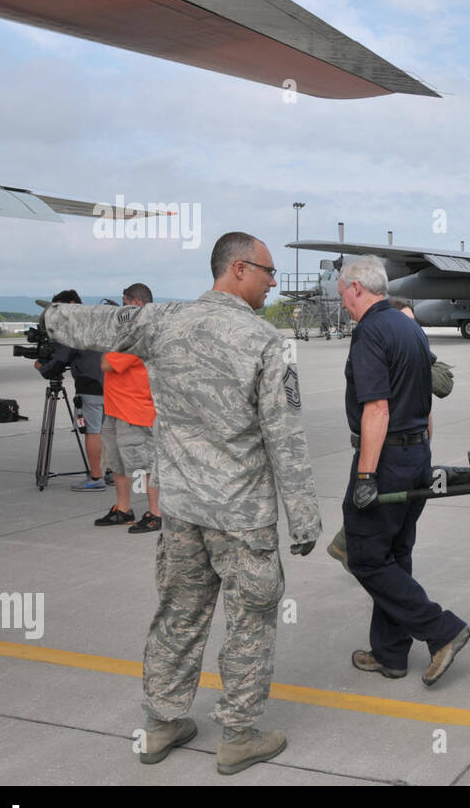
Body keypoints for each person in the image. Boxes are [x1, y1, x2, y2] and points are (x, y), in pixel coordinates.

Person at [43, 232, 321, 774]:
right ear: (238, 269)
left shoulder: (161, 320)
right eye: (268, 272)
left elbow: (95, 325)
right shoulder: (265, 342)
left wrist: (53, 317)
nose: (272, 282)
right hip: (241, 517)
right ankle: (239, 734)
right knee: (249, 622)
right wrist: (304, 518)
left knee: (179, 614)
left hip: (182, 510)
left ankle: (162, 723)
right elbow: (285, 437)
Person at [339, 256, 470, 687]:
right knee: (395, 555)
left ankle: (441, 629)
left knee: (364, 556)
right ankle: (390, 654)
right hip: (415, 455)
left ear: (357, 287)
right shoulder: (411, 328)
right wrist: (422, 454)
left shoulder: (372, 332)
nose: (342, 302)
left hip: (387, 460)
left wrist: (365, 476)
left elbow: (376, 408)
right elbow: (426, 399)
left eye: (342, 293)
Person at [94, 283, 161, 532]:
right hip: (115, 408)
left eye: (124, 304)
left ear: (136, 303)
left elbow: (106, 363)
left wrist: (111, 337)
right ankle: (123, 509)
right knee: (117, 463)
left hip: (135, 410)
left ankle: (156, 512)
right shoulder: (128, 334)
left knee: (146, 463)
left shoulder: (141, 334)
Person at [35, 289, 107, 491]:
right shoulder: (98, 319)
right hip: (110, 384)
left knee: (91, 431)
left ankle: (96, 478)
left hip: (89, 385)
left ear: (72, 304)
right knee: (107, 431)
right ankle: (109, 472)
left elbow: (60, 359)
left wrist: (43, 368)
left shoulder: (74, 325)